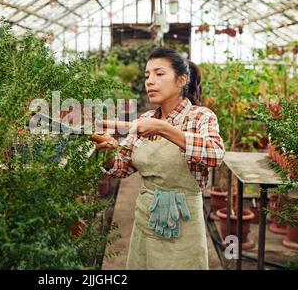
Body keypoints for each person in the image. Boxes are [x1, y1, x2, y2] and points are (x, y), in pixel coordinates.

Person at [96, 48, 225, 270]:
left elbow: (215, 154)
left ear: (181, 80)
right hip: (146, 218)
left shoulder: (200, 117)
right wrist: (108, 151)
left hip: (183, 224)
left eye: (159, 74)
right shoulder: (145, 119)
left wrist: (164, 128)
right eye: (147, 75)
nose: (150, 82)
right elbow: (122, 167)